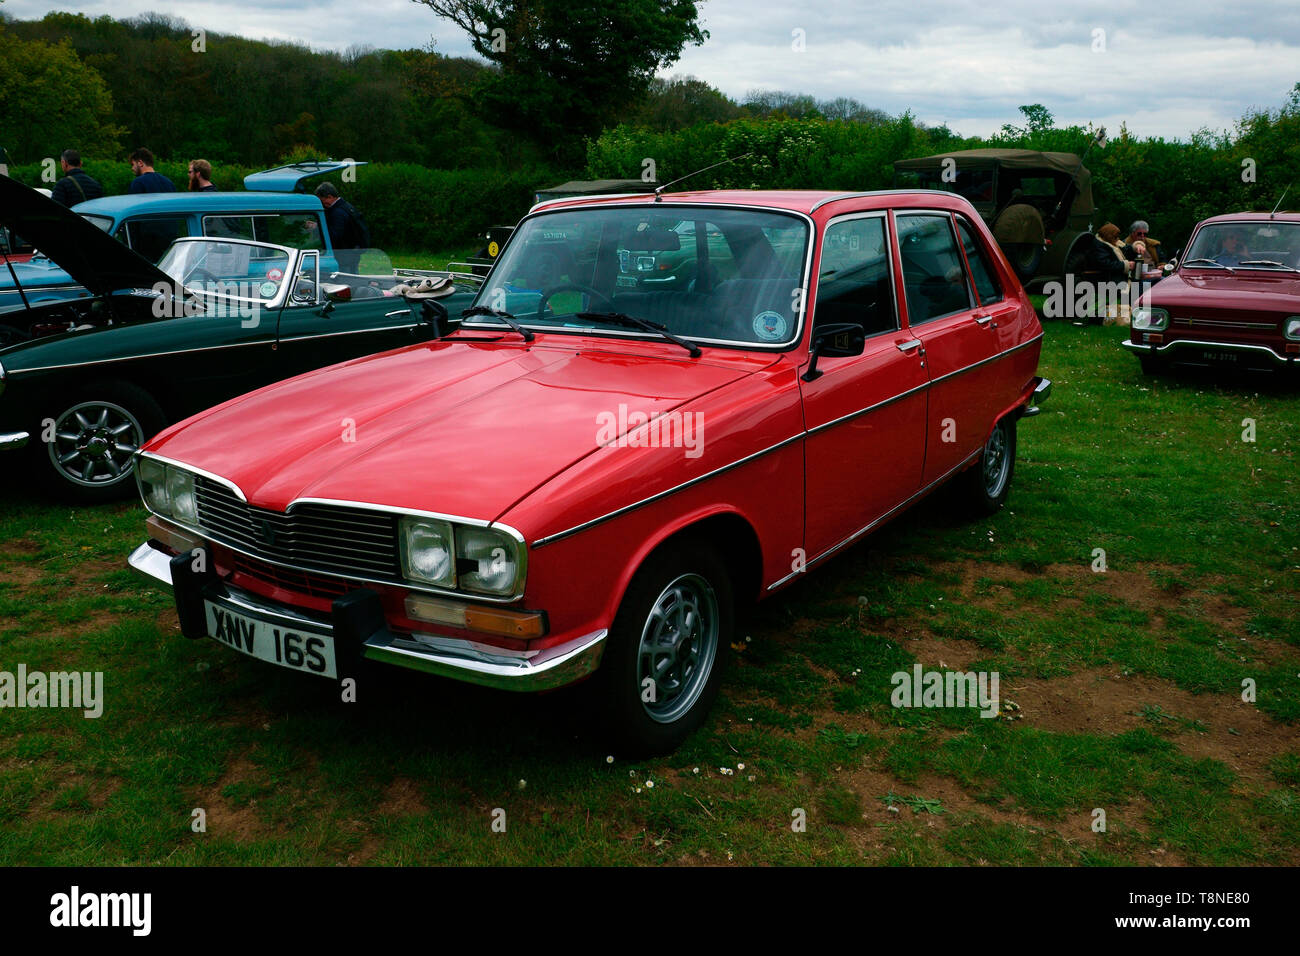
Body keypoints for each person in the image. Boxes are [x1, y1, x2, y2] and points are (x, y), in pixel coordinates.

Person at [314, 181, 369, 273]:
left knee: (344, 281)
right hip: (353, 253)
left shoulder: (337, 212)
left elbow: (334, 236)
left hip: (343, 256)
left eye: (321, 200)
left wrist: (317, 227)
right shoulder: (347, 206)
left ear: (329, 197)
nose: (322, 204)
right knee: (354, 278)